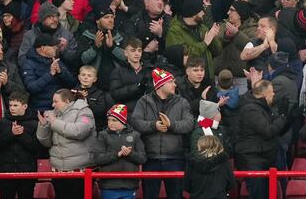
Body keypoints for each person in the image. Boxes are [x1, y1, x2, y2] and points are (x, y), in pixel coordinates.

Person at [129, 68, 193, 199]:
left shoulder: (182, 102)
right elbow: (135, 122)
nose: (175, 85)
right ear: (161, 84)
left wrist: (171, 125)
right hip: (151, 159)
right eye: (171, 82)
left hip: (175, 158)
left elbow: (189, 124)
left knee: (176, 196)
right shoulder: (144, 101)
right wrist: (154, 125)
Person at [36, 88, 96, 198]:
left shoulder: (84, 111)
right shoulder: (54, 114)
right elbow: (47, 143)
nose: (52, 105)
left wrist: (54, 122)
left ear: (67, 101)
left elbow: (79, 131)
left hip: (80, 170)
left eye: (56, 101)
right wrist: (43, 126)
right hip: (58, 170)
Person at [235, 79, 288, 199]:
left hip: (262, 157)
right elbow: (268, 131)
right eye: (271, 91)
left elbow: (275, 130)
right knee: (258, 194)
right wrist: (283, 117)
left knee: (267, 193)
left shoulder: (262, 107)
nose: (274, 94)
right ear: (264, 94)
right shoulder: (251, 109)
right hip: (252, 159)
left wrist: (287, 118)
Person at [0, 91, 39, 199]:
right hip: (5, 172)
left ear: (25, 106)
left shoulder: (34, 124)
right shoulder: (1, 123)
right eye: (10, 105)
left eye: (15, 105)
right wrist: (11, 134)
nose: (12, 108)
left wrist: (22, 135)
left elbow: (36, 148)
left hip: (27, 173)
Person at [94, 103, 147, 199]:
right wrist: (117, 154)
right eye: (109, 120)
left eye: (114, 120)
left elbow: (142, 158)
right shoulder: (102, 135)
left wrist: (130, 154)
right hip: (109, 185)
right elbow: (98, 158)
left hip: (129, 185)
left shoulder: (135, 135)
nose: (110, 123)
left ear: (123, 120)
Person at [185, 135, 235, 199]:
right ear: (217, 145)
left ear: (199, 145)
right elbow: (231, 184)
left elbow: (187, 186)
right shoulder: (224, 162)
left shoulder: (191, 162)